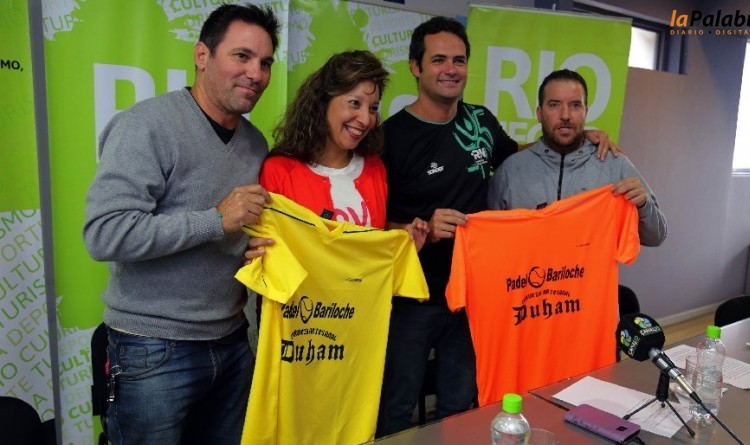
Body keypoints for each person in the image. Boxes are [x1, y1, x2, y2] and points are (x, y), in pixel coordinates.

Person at [376, 17, 618, 436]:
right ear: (416, 67)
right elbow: (374, 227)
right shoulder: (390, 137)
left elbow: (522, 156)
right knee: (396, 407)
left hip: (478, 297)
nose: (451, 69)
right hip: (414, 298)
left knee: (460, 407)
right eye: (439, 60)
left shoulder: (481, 122)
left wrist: (577, 135)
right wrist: (423, 228)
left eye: (459, 60)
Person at [82, 4, 279, 444]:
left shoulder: (255, 143)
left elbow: (236, 229)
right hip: (153, 348)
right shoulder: (147, 125)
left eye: (265, 62)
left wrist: (252, 248)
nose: (256, 73)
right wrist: (215, 221)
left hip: (233, 342)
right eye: (242, 56)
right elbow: (105, 233)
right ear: (202, 55)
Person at [255, 50, 428, 245]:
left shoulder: (375, 167)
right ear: (323, 102)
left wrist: (405, 239)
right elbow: (270, 249)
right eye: (354, 103)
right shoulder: (278, 171)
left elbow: (375, 243)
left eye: (373, 108)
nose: (366, 120)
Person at [488, 69, 667, 246]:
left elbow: (656, 237)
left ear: (585, 112)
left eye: (575, 105)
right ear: (539, 113)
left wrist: (644, 205)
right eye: (554, 105)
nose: (565, 115)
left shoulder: (614, 164)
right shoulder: (510, 171)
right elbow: (490, 241)